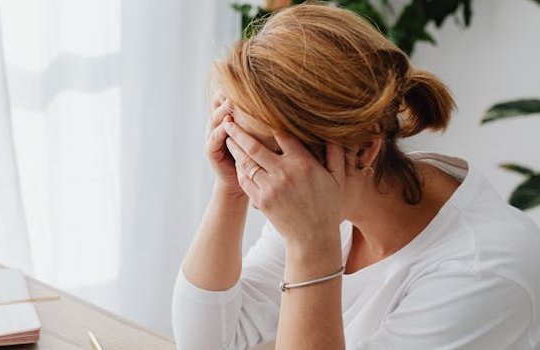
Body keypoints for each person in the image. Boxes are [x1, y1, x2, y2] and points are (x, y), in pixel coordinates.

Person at [171, 3, 540, 350]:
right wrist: (229, 189)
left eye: (268, 154)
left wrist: (312, 248)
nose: (258, 178)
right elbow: (206, 341)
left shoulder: (483, 273)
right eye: (240, 145)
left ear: (363, 150)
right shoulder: (338, 198)